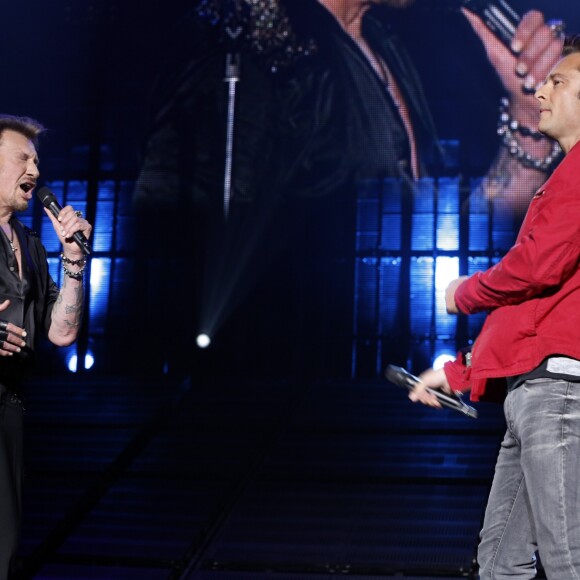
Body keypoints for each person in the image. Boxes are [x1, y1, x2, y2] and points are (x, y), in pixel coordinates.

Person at [133, 0, 564, 379]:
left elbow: (442, 240)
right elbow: (179, 252)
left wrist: (530, 127)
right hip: (288, 409)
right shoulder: (245, 47)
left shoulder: (389, 40)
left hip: (385, 383)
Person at [410, 36, 580, 578]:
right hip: (536, 396)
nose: (541, 89)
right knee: (500, 566)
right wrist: (455, 373)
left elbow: (534, 269)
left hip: (557, 398)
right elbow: (528, 313)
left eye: (559, 80)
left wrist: (463, 293)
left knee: (567, 562)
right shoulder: (564, 177)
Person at [0, 115, 92, 578]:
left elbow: (60, 332)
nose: (34, 169)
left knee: (5, 547)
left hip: (10, 408)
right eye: (22, 157)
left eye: (37, 160)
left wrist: (73, 261)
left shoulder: (32, 246)